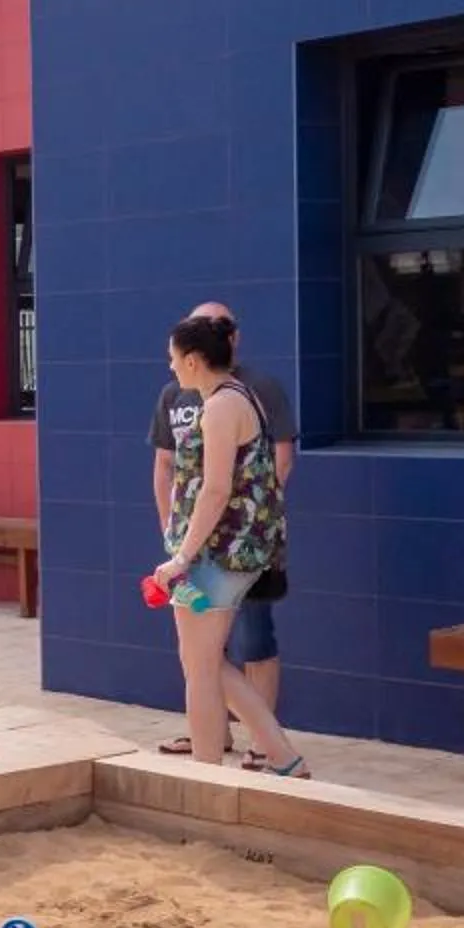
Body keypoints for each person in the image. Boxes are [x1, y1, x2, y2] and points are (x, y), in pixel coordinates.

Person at [154, 313, 309, 777]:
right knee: (204, 662)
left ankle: (207, 777)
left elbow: (216, 489)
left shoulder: (222, 406)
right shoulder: (238, 399)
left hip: (216, 554)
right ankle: (283, 757)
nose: (171, 369)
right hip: (227, 552)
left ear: (195, 360)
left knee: (200, 669)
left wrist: (181, 556)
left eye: (174, 360)